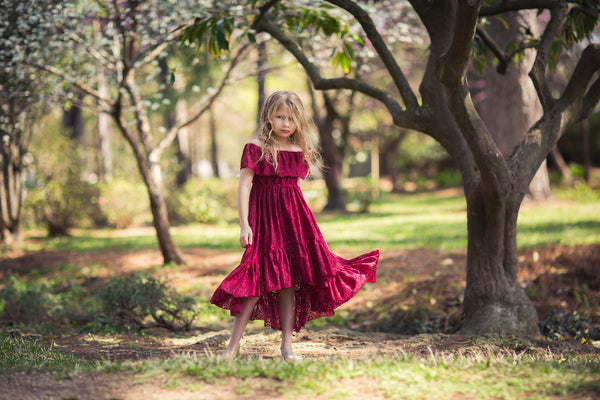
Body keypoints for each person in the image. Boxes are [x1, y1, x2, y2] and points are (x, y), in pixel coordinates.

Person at [210, 90, 379, 360]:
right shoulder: (256, 147)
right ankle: (231, 349)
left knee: (290, 283)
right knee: (254, 281)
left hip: (295, 223)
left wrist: (301, 228)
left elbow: (295, 191)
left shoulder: (299, 150)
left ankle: (287, 347)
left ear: (299, 121)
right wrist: (244, 225)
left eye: (291, 118)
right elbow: (244, 186)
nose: (285, 123)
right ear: (269, 116)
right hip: (264, 222)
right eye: (279, 117)